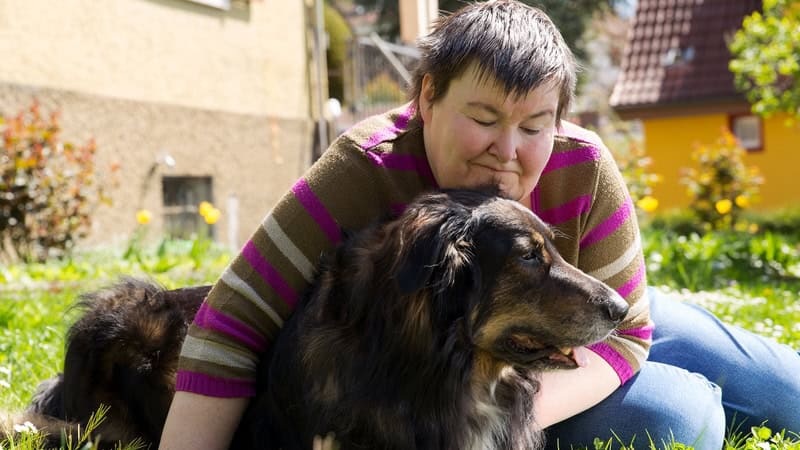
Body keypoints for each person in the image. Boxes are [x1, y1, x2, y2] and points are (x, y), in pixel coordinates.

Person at [159, 1, 800, 449]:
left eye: (534, 125)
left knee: (782, 392)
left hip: (594, 317)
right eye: (485, 117)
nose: (509, 149)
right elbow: (232, 322)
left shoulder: (584, 165)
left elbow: (628, 332)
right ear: (428, 96)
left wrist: (492, 432)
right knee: (677, 419)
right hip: (487, 358)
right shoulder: (365, 164)